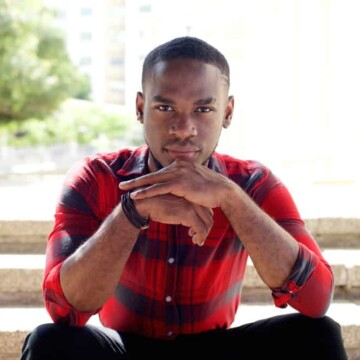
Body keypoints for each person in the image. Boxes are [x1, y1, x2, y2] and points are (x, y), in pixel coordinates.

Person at [20, 36, 347, 359]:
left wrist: (231, 198)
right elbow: (63, 310)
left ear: (228, 112)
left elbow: (317, 298)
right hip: (126, 350)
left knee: (318, 336)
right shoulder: (96, 177)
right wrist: (132, 212)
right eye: (165, 107)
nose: (183, 128)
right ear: (140, 108)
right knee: (49, 341)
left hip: (216, 349)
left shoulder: (252, 183)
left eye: (204, 109)